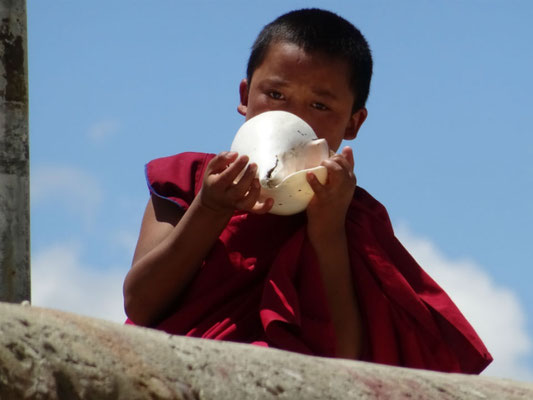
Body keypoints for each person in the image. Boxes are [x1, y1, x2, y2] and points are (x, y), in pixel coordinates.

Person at [123, 8, 492, 373]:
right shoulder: (188, 179)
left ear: (353, 122)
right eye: (276, 94)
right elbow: (140, 304)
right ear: (244, 95)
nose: (296, 117)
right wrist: (210, 208)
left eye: (319, 105)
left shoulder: (351, 214)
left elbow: (343, 359)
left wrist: (327, 230)